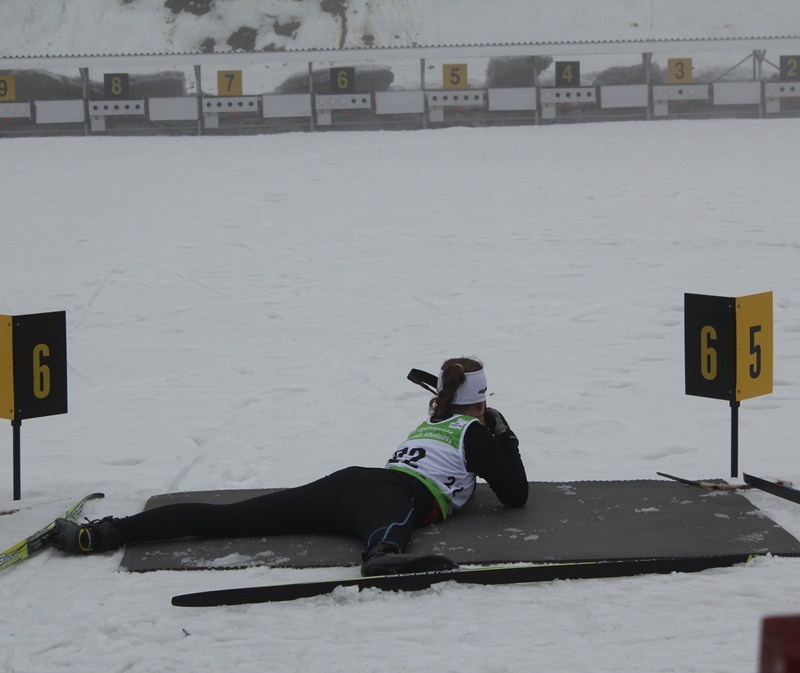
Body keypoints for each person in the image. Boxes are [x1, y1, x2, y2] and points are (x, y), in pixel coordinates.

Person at [54, 357, 528, 576]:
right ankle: (383, 554)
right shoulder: (475, 433)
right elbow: (515, 494)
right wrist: (506, 438)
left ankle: (104, 533)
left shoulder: (431, 425)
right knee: (387, 536)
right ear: (481, 402)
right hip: (391, 495)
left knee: (228, 520)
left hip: (348, 483)